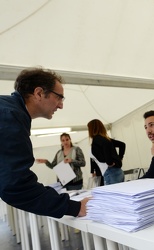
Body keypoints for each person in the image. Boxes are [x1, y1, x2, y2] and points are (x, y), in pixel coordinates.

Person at [0, 67, 89, 218]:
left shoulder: (8, 109)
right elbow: (16, 186)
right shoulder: (11, 117)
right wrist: (74, 207)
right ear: (39, 93)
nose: (61, 105)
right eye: (59, 97)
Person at [87, 119, 124, 185]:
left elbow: (103, 152)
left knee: (111, 194)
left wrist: (109, 162)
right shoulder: (106, 139)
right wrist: (119, 159)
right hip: (117, 171)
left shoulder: (97, 140)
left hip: (110, 172)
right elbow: (122, 145)